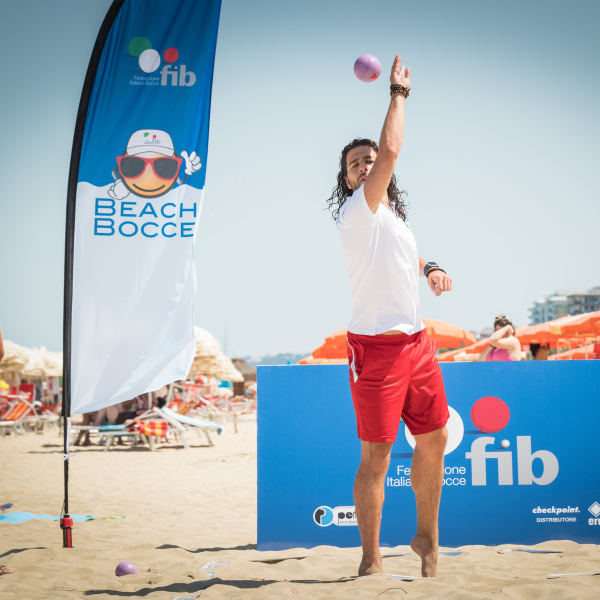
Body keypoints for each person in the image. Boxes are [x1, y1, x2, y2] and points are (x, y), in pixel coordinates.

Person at [327, 56, 453, 578]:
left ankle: (425, 536)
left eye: (368, 160)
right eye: (357, 162)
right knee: (376, 457)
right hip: (375, 350)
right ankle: (370, 560)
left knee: (436, 438)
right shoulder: (357, 211)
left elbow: (405, 258)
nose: (365, 165)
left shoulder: (394, 220)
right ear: (348, 177)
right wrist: (398, 93)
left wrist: (432, 267)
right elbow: (393, 151)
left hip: (417, 344)